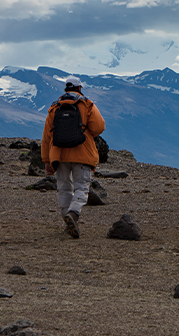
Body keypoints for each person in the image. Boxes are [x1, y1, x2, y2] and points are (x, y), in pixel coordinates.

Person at [41, 76, 106, 239]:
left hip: (59, 154)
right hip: (82, 153)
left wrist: (46, 160)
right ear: (79, 88)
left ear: (66, 88)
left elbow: (47, 136)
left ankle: (67, 221)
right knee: (82, 188)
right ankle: (74, 214)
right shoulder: (87, 104)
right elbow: (99, 128)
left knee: (64, 188)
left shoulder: (54, 107)